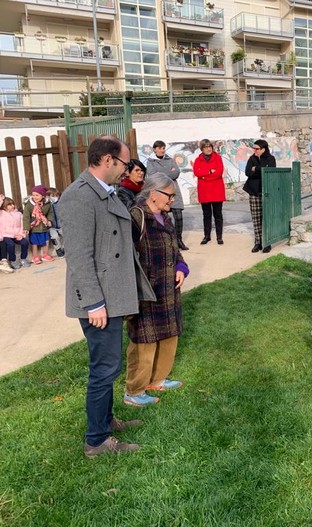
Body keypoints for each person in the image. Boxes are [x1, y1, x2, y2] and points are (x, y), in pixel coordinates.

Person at [59, 136, 156, 457]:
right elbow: (78, 255)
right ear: (107, 160)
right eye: (124, 164)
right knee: (104, 368)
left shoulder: (103, 192)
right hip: (98, 301)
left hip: (112, 295)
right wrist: (93, 303)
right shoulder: (78, 197)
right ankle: (96, 440)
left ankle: (106, 419)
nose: (127, 170)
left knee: (109, 366)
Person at [124, 174, 189, 407]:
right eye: (169, 195)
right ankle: (134, 390)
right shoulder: (136, 217)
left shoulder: (166, 218)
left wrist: (181, 267)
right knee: (145, 340)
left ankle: (158, 379)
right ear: (153, 194)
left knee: (169, 335)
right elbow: (125, 256)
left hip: (169, 289)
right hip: (147, 291)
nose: (172, 200)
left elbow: (175, 250)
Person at [148, 140, 188, 251]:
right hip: (160, 192)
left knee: (178, 216)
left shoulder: (170, 159)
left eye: (163, 148)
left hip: (173, 190)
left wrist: (161, 174)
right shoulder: (151, 161)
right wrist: (169, 172)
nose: (162, 150)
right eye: (160, 148)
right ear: (155, 149)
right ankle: (169, 241)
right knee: (164, 217)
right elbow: (152, 175)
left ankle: (179, 239)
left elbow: (177, 173)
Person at [243, 139, 276, 253]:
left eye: (257, 149)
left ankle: (267, 242)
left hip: (266, 193)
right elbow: (247, 172)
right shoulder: (252, 158)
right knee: (256, 218)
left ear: (263, 149)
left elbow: (269, 171)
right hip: (253, 192)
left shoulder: (270, 159)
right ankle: (258, 242)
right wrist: (260, 170)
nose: (254, 150)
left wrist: (255, 169)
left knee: (266, 218)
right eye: (254, 148)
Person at [192, 139, 225, 245]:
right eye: (206, 147)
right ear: (202, 149)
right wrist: (209, 172)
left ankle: (219, 236)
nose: (209, 148)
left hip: (216, 190)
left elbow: (219, 172)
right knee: (206, 215)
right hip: (204, 191)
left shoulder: (218, 158)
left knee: (218, 214)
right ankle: (207, 236)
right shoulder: (198, 160)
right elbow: (197, 172)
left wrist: (204, 176)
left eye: (210, 146)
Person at [22, 185, 55, 265]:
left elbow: (50, 213)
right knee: (34, 243)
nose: (35, 197)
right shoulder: (29, 205)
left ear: (43, 195)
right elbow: (26, 217)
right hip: (33, 227)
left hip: (44, 225)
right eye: (33, 195)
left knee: (46, 241)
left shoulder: (47, 204)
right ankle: (35, 256)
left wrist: (50, 220)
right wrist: (26, 228)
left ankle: (45, 254)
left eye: (37, 195)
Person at [0, 197, 30, 270]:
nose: (12, 206)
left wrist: (21, 234)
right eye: (9, 204)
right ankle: (12, 260)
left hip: (17, 235)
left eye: (13, 204)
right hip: (6, 235)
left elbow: (22, 225)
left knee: (25, 242)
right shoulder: (1, 213)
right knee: (11, 244)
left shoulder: (18, 214)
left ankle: (23, 258)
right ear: (4, 206)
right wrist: (1, 200)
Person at [46, 188, 65, 258]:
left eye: (54, 195)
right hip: (52, 226)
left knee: (66, 236)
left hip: (61, 224)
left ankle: (65, 249)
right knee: (54, 238)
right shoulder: (47, 205)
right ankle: (58, 250)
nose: (53, 197)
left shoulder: (61, 203)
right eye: (50, 196)